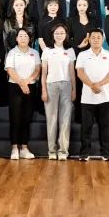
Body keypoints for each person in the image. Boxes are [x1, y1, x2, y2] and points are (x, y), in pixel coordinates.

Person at [76, 28, 109, 161]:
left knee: (105, 126)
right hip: (87, 97)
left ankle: (106, 152)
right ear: (89, 39)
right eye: (93, 37)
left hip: (105, 97)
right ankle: (84, 153)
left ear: (102, 39)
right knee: (86, 127)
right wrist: (92, 85)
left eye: (98, 37)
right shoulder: (82, 55)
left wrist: (99, 84)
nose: (96, 40)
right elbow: (80, 73)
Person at [41, 23, 76, 160]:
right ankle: (51, 151)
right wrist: (43, 90)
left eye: (62, 33)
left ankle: (63, 151)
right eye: (57, 33)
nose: (59, 35)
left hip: (66, 85)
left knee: (65, 119)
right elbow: (44, 72)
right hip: (51, 85)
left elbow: (72, 72)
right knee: (51, 119)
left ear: (66, 35)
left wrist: (74, 89)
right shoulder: (47, 50)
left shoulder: (70, 51)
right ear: (53, 35)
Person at [4, 28, 40, 160]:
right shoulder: (12, 52)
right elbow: (10, 70)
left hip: (30, 86)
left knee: (26, 117)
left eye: (25, 36)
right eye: (20, 36)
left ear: (29, 38)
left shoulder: (34, 52)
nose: (23, 38)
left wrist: (28, 81)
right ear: (16, 39)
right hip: (15, 87)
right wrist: (22, 83)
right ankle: (14, 148)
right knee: (15, 117)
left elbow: (37, 69)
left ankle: (24, 148)